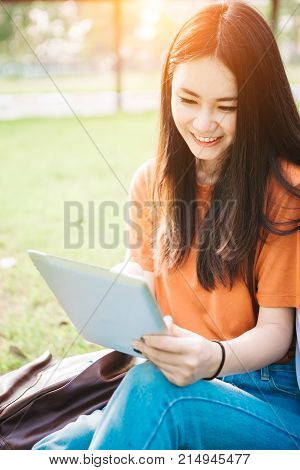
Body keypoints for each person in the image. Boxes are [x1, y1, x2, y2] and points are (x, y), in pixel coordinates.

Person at [33, 0, 300, 450]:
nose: (203, 123)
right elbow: (142, 274)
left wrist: (210, 359)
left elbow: (277, 334)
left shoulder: (286, 190)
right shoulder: (151, 180)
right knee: (52, 451)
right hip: (175, 378)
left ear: (255, 105)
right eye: (188, 99)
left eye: (227, 106)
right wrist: (118, 294)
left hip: (268, 399)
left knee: (152, 393)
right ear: (168, 91)